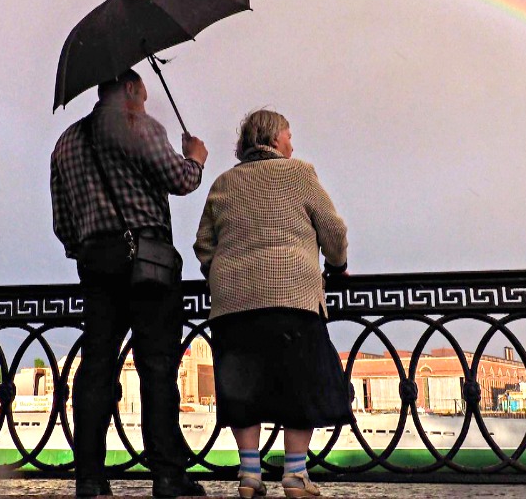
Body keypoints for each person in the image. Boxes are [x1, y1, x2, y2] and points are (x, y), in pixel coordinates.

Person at [50, 69, 209, 498]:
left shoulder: (65, 143)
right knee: (157, 369)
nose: (144, 101)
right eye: (142, 94)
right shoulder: (140, 126)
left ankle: (89, 477)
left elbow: (62, 224)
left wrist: (90, 248)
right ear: (130, 89)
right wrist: (195, 156)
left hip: (95, 266)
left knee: (97, 367)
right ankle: (167, 476)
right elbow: (181, 180)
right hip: (149, 265)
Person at [194, 109, 352, 499]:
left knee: (243, 389)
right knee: (301, 382)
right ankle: (295, 477)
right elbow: (333, 230)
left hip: (233, 305)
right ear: (275, 139)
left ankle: (250, 477)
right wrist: (338, 264)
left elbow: (203, 243)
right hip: (292, 298)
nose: (292, 143)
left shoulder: (223, 182)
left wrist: (223, 273)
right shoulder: (299, 172)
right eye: (289, 135)